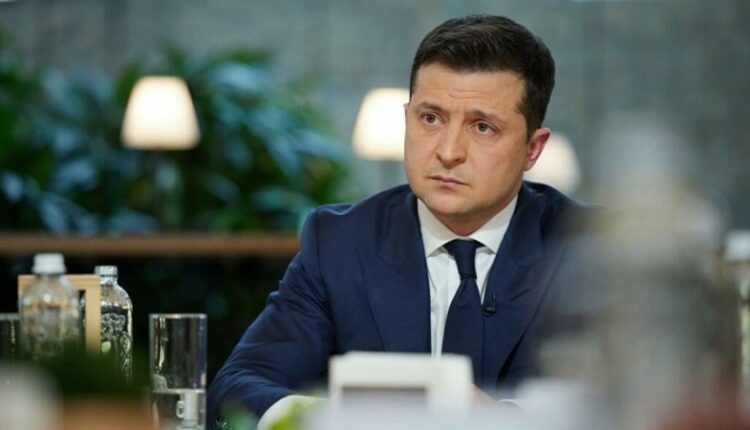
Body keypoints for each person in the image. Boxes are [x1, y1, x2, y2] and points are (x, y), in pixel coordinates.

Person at [207, 13, 595, 426]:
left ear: (532, 149)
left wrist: (502, 420)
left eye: (482, 127)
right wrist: (353, 418)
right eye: (431, 118)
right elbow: (236, 389)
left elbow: (626, 402)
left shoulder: (591, 249)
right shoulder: (340, 243)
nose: (448, 151)